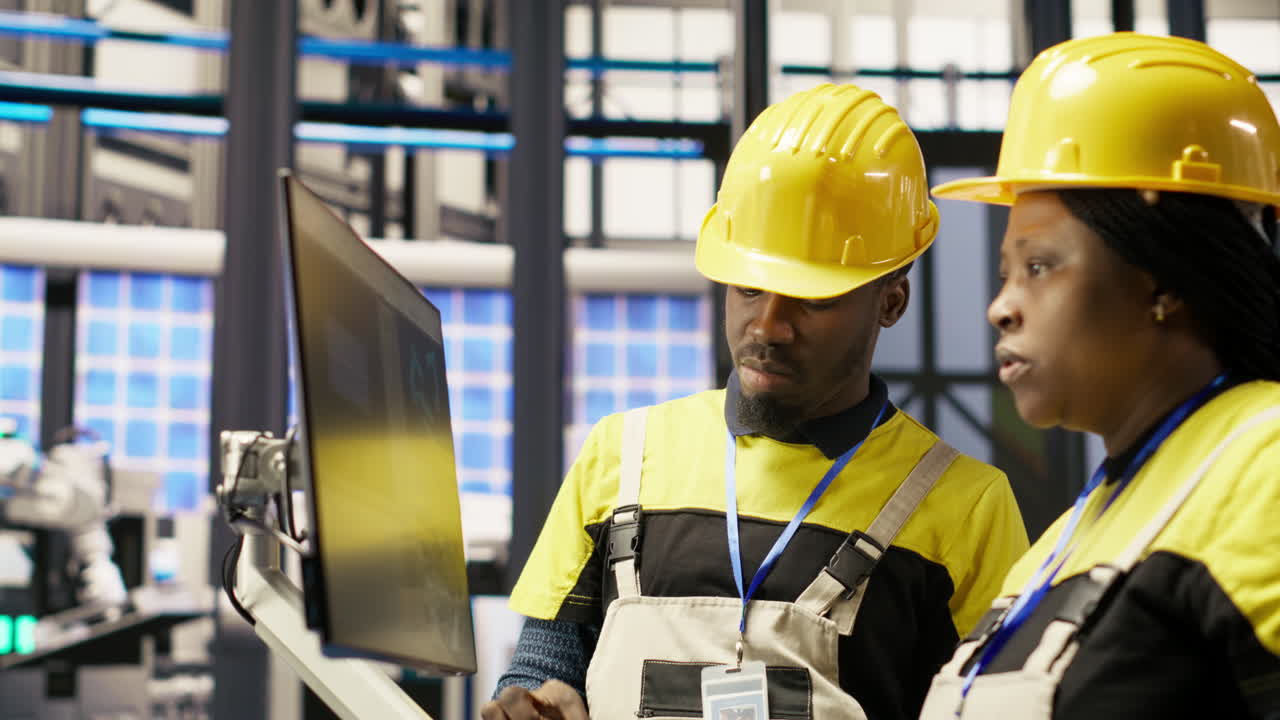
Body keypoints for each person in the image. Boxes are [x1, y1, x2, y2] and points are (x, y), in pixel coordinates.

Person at [482, 83, 1029, 720]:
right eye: (748, 287)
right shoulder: (620, 456)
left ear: (891, 302)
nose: (767, 327)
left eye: (812, 298)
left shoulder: (965, 509)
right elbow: (544, 670)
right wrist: (535, 705)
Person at [918, 32, 1280, 720]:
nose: (1001, 307)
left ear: (1162, 278)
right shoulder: (1057, 547)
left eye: (1040, 266)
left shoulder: (1263, 467)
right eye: (1004, 275)